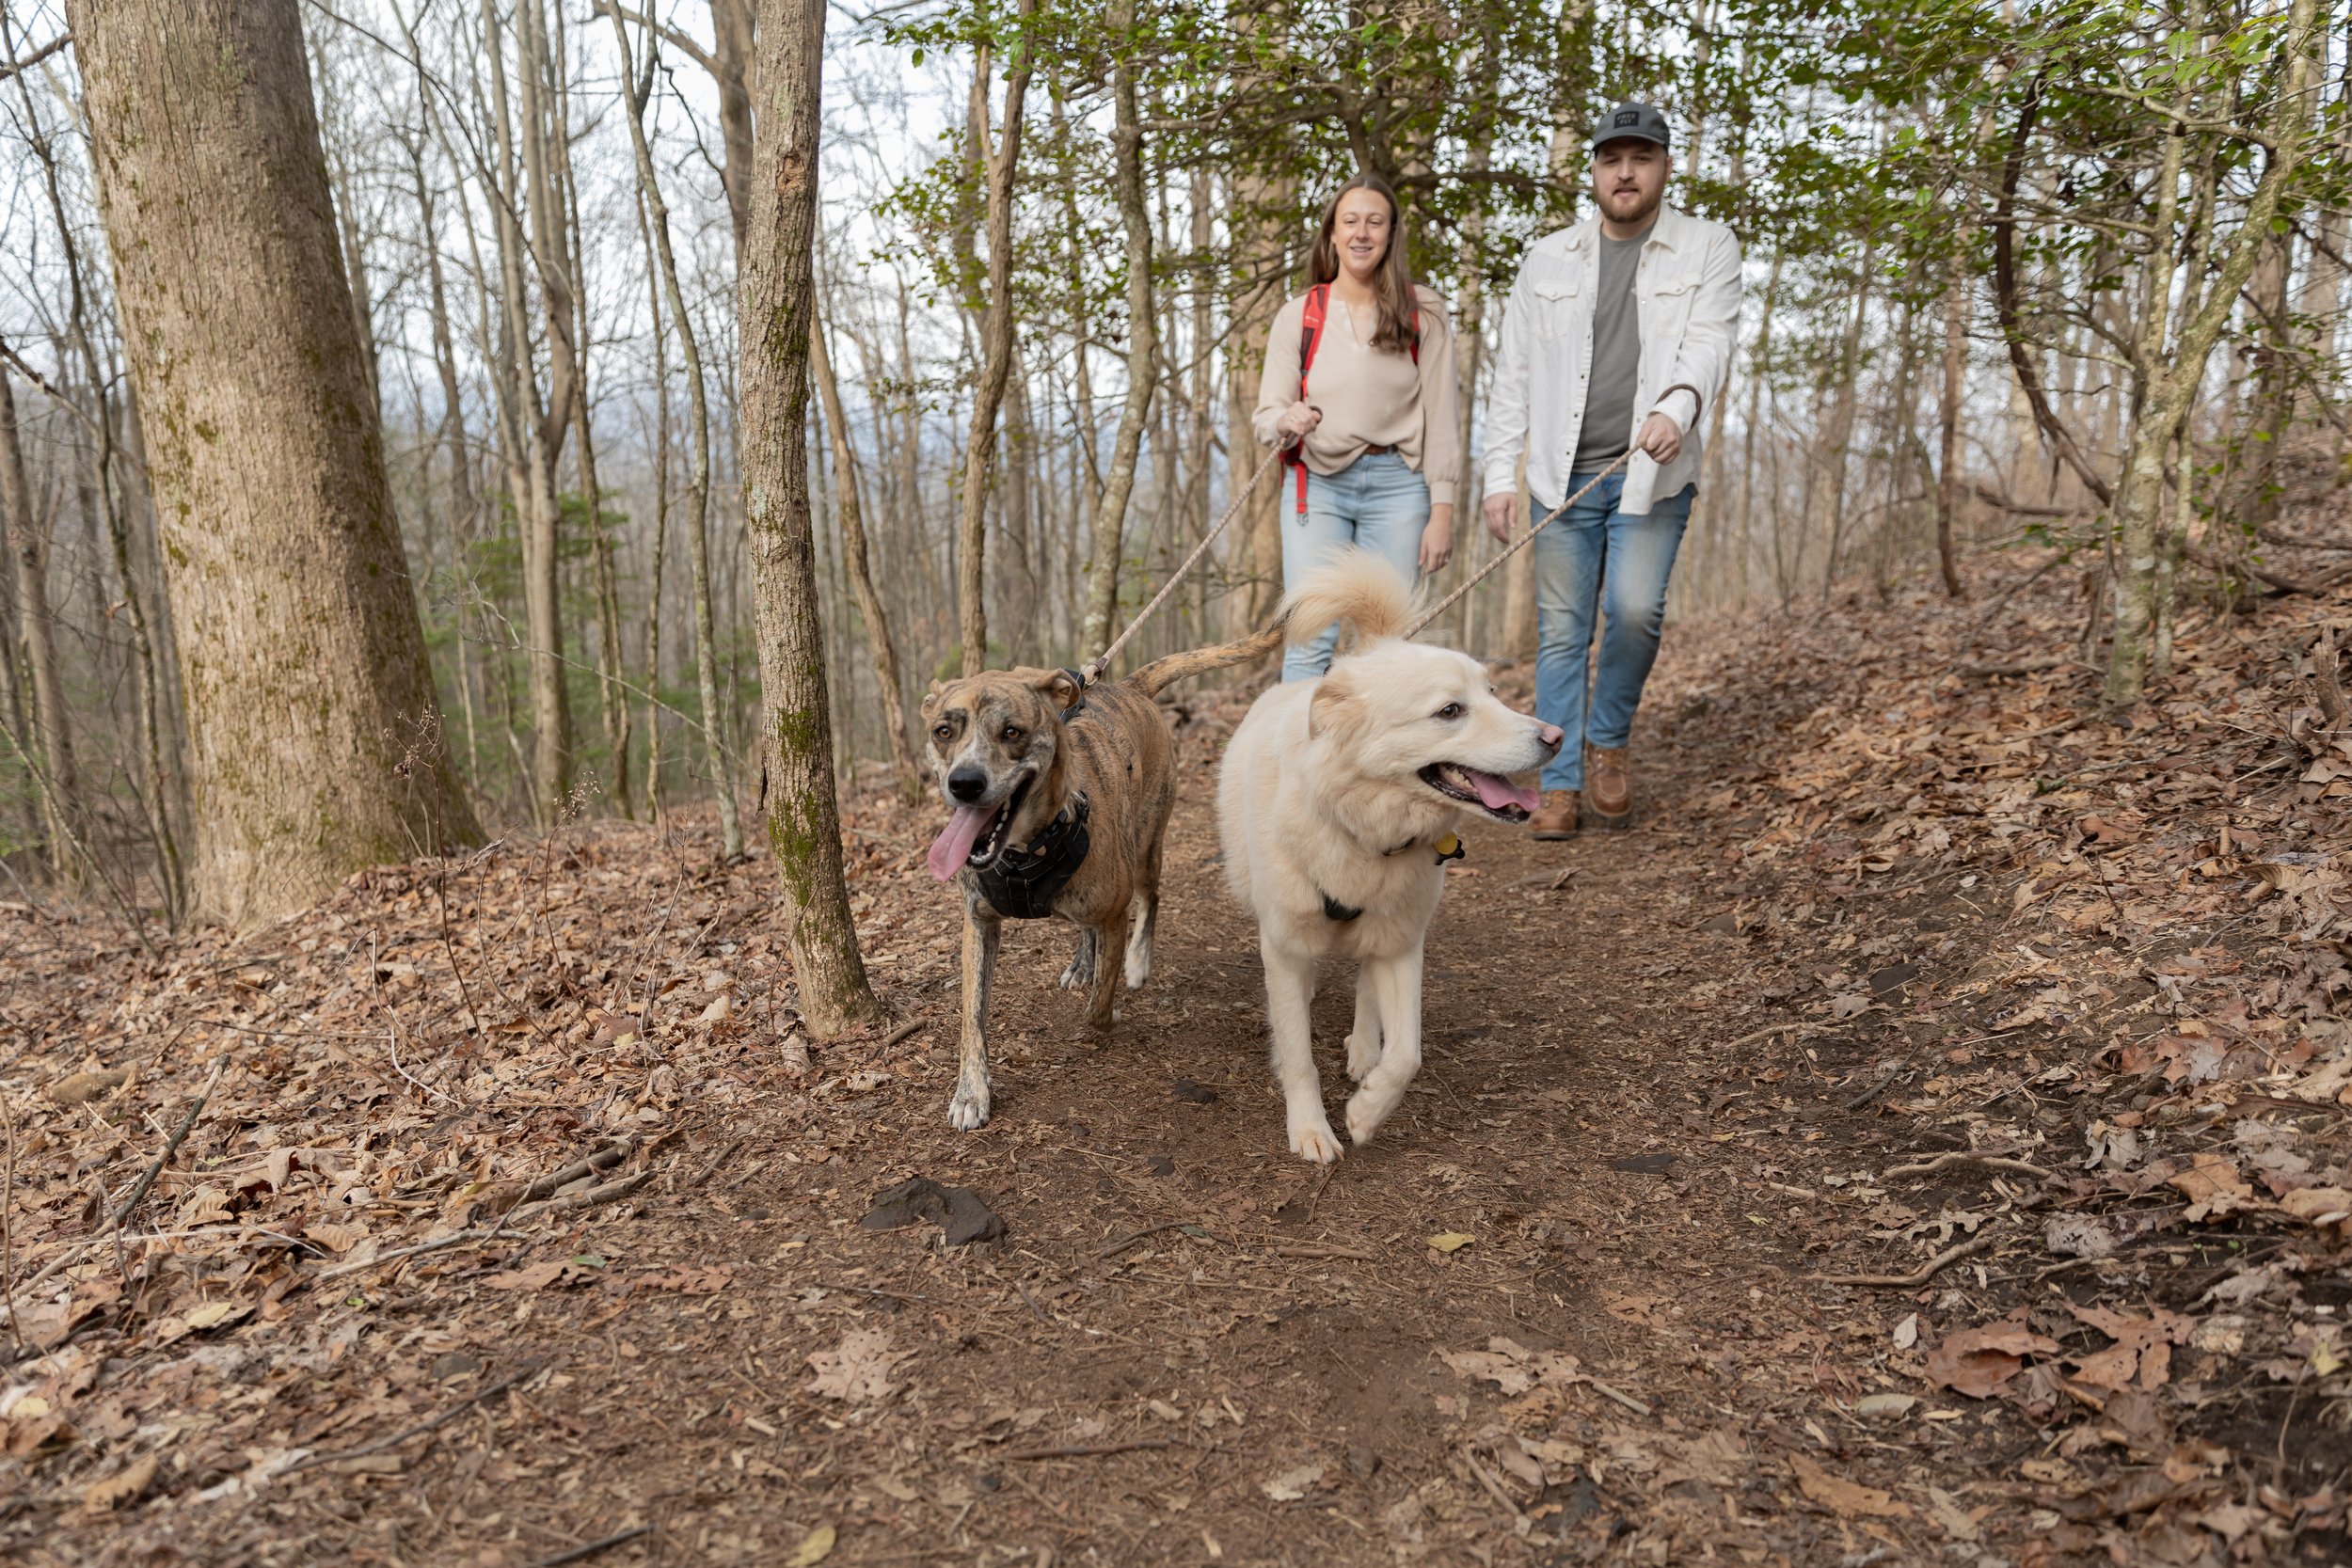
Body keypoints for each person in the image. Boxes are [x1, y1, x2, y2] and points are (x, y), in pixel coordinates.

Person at [1481, 101, 1741, 835]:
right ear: (1593, 170)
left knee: (1633, 611)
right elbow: (1514, 373)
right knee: (1562, 631)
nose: (1625, 172)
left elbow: (1710, 342)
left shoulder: (1707, 245)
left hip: (1652, 472)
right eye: (1611, 159)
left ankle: (1608, 741)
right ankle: (1558, 781)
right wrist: (1501, 475)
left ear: (1664, 166)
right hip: (1559, 478)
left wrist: (1678, 406)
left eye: (1641, 157)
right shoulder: (1547, 259)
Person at [1254, 173, 1460, 682]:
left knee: (1388, 642)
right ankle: (1295, 761)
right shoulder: (1299, 315)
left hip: (1400, 487)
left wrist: (1442, 511)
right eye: (1350, 221)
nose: (1361, 233)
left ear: (1391, 235)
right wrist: (1286, 418)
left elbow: (1443, 417)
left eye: (1375, 222)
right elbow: (1265, 416)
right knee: (1310, 636)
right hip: (1316, 487)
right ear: (1331, 234)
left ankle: (1375, 762)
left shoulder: (1425, 311)